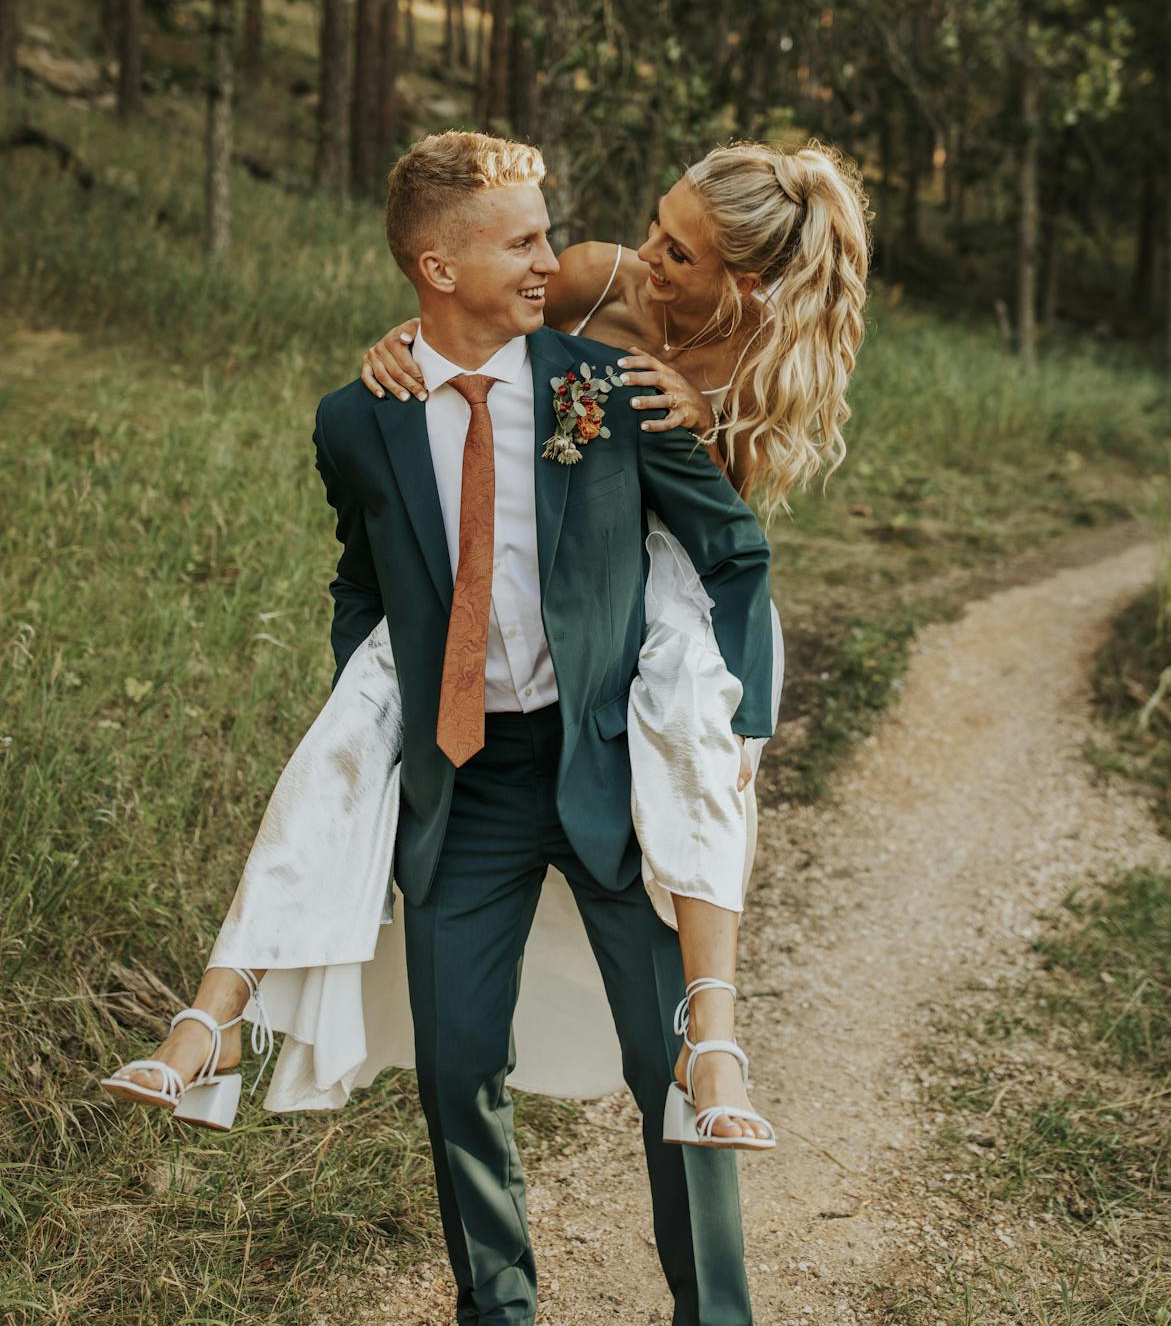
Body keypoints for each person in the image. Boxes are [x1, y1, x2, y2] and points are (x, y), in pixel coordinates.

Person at [103, 130, 784, 1325]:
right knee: (459, 1068)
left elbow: (734, 550)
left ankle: (716, 1313)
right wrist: (387, 703)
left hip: (607, 769)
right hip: (465, 781)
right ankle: (498, 1308)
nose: (547, 260)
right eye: (520, 242)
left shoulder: (599, 388)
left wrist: (734, 729)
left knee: (669, 1066)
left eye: (542, 237)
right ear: (436, 266)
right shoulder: (357, 419)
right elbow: (360, 582)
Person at [361, 136, 871, 1134]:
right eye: (656, 226)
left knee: (691, 707)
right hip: (564, 558)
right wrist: (398, 347)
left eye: (678, 254)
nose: (648, 256)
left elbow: (722, 540)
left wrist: (697, 438)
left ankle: (712, 1031)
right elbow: (470, 330)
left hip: (675, 571)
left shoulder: (767, 356)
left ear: (750, 283)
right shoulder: (595, 279)